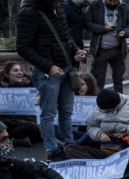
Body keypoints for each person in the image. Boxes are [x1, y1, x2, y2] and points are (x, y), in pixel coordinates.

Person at [16, 0, 88, 161]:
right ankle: (52, 150)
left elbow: (65, 37)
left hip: (66, 68)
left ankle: (69, 145)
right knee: (48, 114)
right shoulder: (28, 13)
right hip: (47, 72)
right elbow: (22, 47)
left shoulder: (59, 9)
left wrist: (75, 50)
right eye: (57, 0)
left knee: (66, 111)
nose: (60, 3)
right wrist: (48, 67)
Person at [64, 89, 129, 171]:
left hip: (127, 151)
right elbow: (90, 127)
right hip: (105, 149)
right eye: (104, 111)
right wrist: (99, 134)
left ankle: (103, 166)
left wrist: (127, 130)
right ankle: (104, 166)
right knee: (70, 149)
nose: (107, 113)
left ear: (117, 105)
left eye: (109, 111)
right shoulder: (99, 109)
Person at [84, 0, 129, 93]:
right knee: (98, 81)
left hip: (118, 49)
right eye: (110, 1)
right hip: (100, 50)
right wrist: (103, 28)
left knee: (118, 80)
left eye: (115, 1)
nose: (112, 3)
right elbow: (87, 23)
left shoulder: (124, 7)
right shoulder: (95, 5)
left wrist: (125, 32)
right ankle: (98, 103)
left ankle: (118, 103)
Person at [0, 62, 42, 147]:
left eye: (20, 70)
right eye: (15, 70)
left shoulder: (31, 86)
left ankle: (8, 140)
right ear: (7, 74)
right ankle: (15, 140)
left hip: (24, 122)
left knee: (31, 128)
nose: (20, 72)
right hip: (6, 122)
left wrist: (39, 98)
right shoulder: (1, 88)